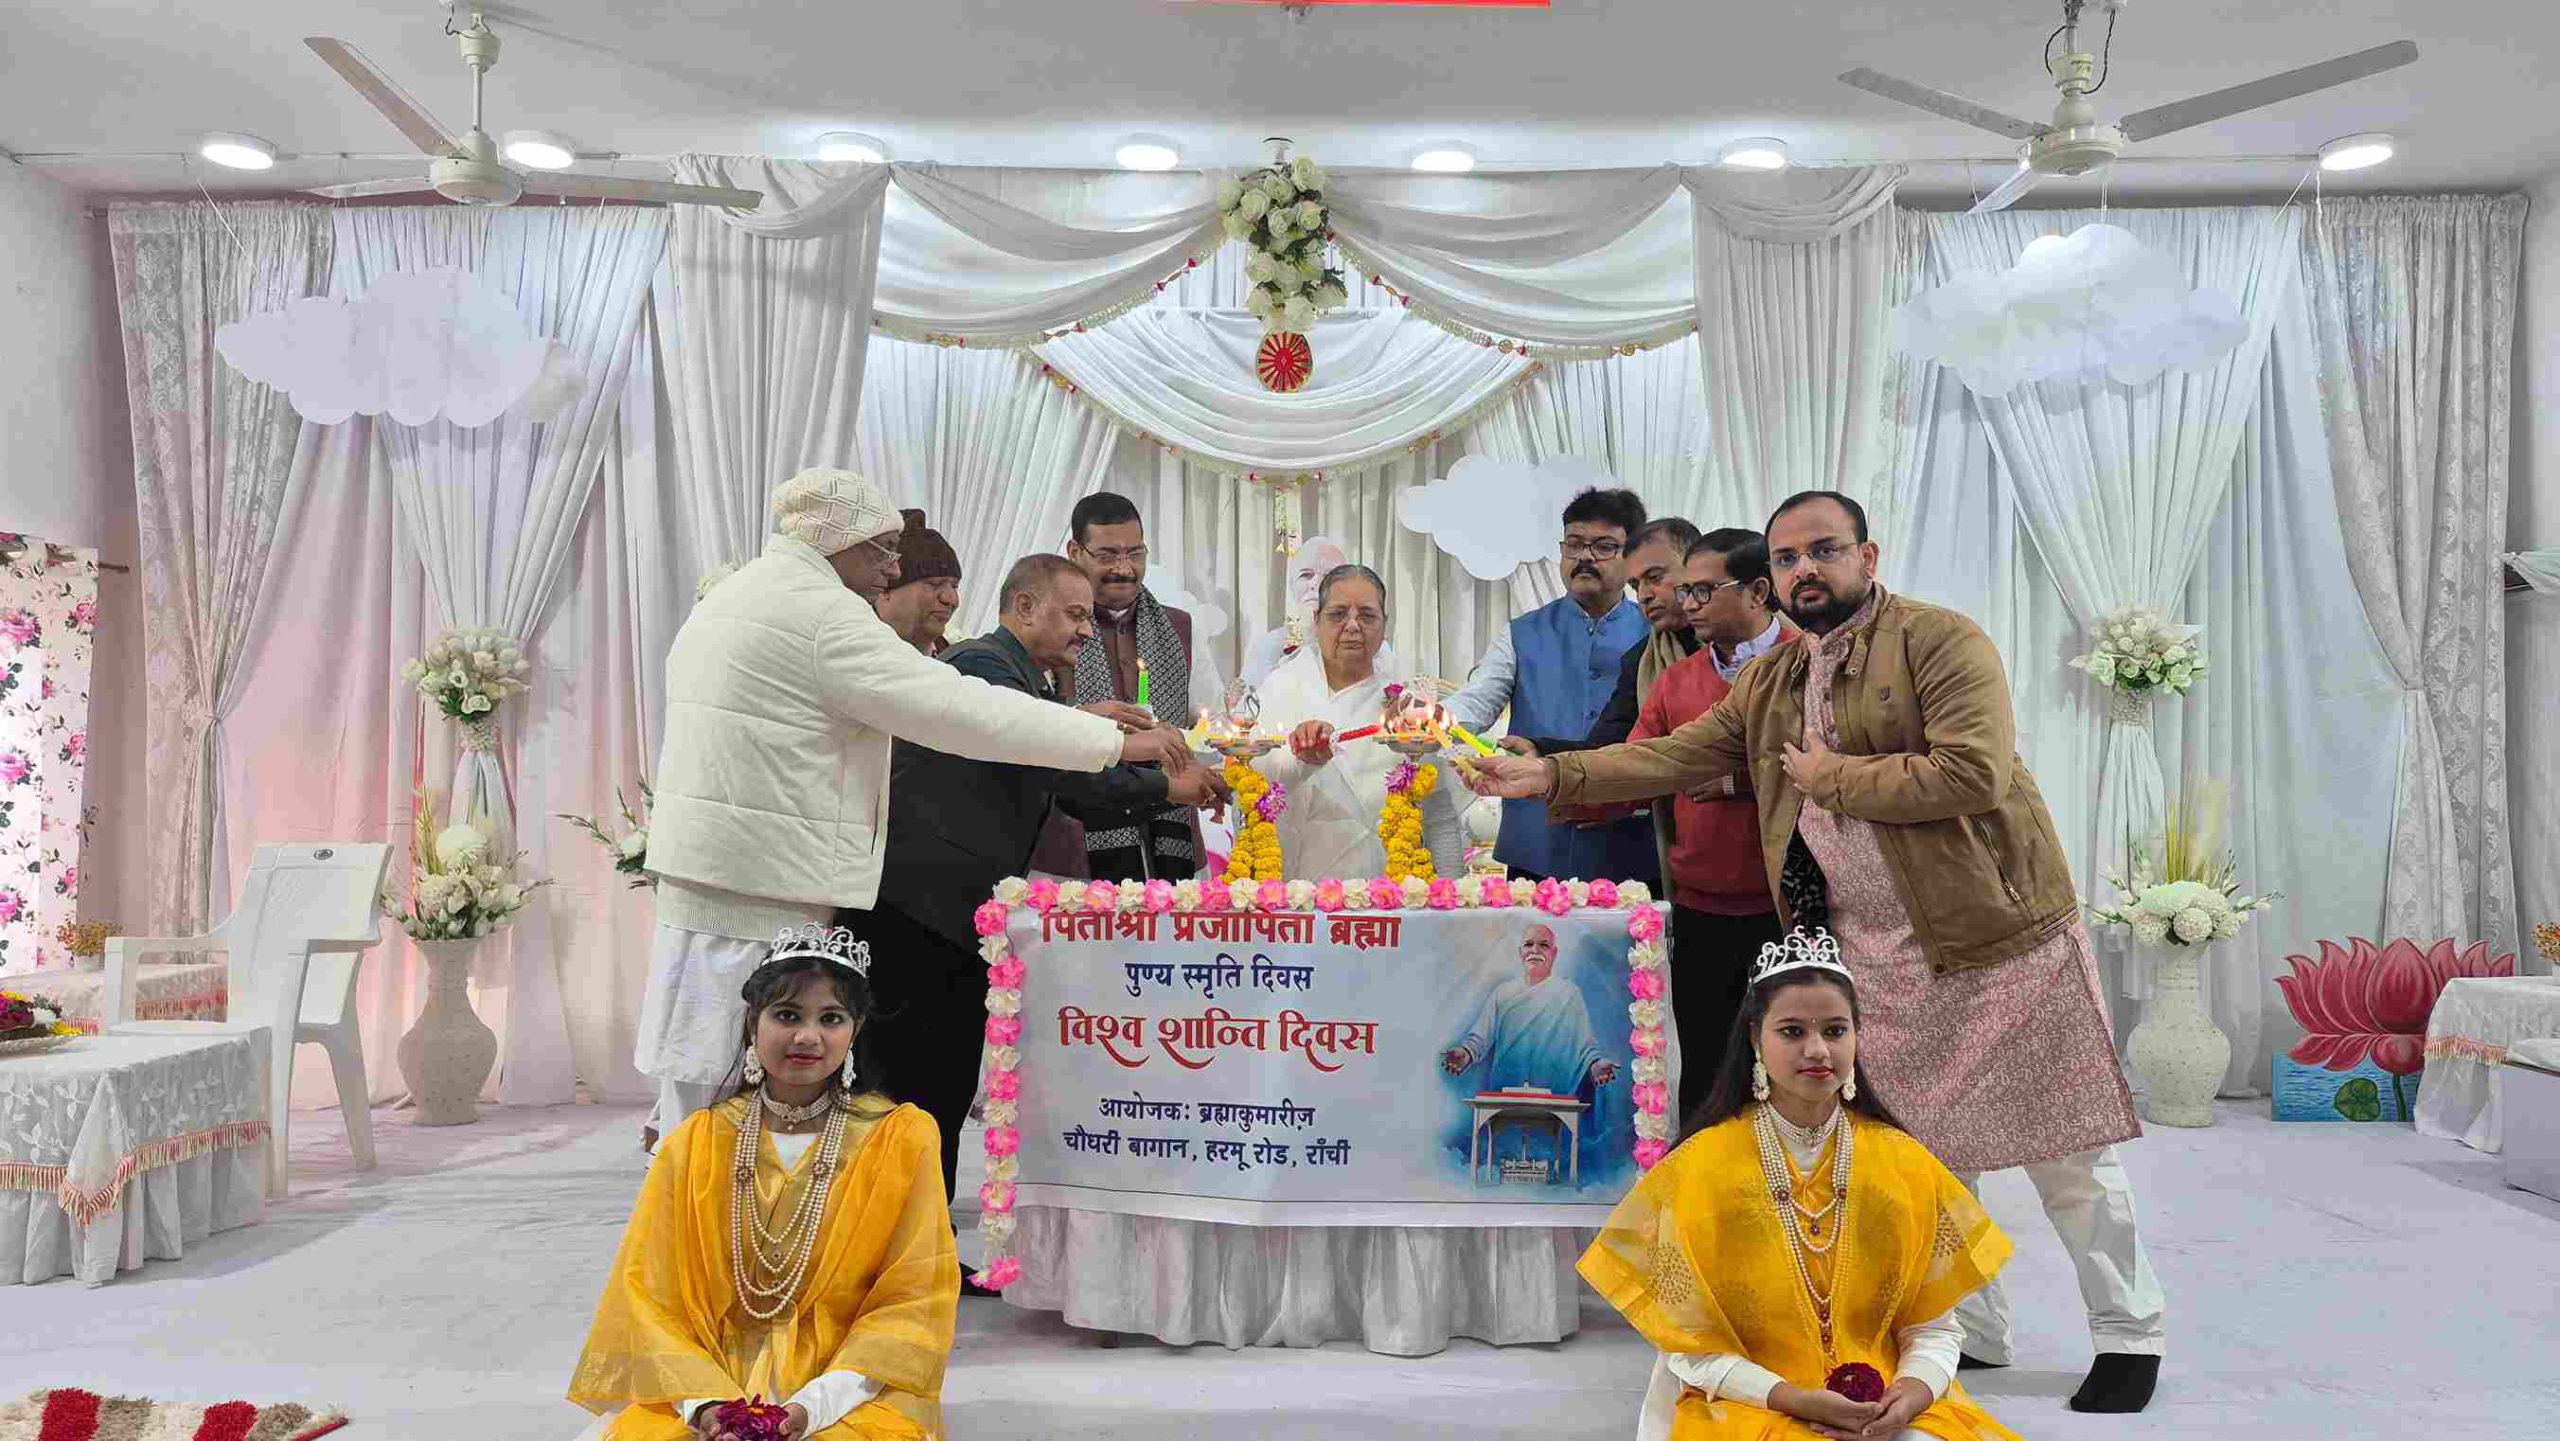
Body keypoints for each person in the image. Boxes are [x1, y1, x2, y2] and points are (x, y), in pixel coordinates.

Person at [1463, 491, 2165, 1413]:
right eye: (1788, 558)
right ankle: (1974, 1329)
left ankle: (2129, 1332)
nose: (1804, 570)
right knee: (1927, 1160)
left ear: (1867, 557)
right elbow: (1676, 755)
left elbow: (1972, 770)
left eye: (1824, 550)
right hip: (1878, 958)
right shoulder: (1780, 678)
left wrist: (1831, 777)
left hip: (1995, 940)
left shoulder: (1940, 641)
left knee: (2065, 1152)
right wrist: (1551, 773)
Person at [637, 468, 1193, 1149]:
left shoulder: (744, 592)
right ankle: (721, 1220)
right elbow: (955, 709)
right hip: (763, 890)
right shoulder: (822, 613)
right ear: (839, 542)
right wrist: (1114, 743)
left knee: (710, 1104)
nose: (893, 568)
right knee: (744, 1105)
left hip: (723, 878)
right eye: (883, 550)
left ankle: (708, 1216)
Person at [860, 554, 1222, 1213]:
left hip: (949, 916)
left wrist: (1106, 737)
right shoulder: (983, 667)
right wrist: (1168, 785)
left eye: (1088, 616)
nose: (1086, 630)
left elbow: (1068, 781)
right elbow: (1063, 769)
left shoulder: (1023, 679)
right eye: (1075, 614)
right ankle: (891, 1246)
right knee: (910, 1090)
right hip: (917, 915)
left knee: (939, 1087)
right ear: (1024, 607)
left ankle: (922, 1242)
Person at [1578, 929, 2021, 1441]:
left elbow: (1935, 1328)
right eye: (1792, 1031)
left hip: (1885, 1405)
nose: (1817, 1050)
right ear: (1755, 1039)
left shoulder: (1904, 1163)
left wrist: (1912, 1395)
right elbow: (1689, 1350)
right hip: (1748, 1403)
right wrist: (1793, 1397)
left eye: (1835, 1031)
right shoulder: (1700, 1167)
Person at [569, 929, 957, 1441]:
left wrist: (811, 1409)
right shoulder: (697, 1143)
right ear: (754, 1022)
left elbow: (914, 1299)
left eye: (831, 1018)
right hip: (708, 1377)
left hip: (846, 1385)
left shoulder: (901, 1138)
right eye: (788, 1015)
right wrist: (708, 1408)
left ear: (856, 1029)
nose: (807, 1037)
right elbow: (649, 1297)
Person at [1631, 528, 1798, 1117]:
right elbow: (1633, 766)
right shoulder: (1677, 681)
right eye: (1686, 592)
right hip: (1701, 908)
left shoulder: (1811, 662)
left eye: (1703, 591)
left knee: (1795, 1069)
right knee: (1705, 1071)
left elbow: (1836, 768)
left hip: (1795, 908)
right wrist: (1544, 775)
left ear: (1758, 591)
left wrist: (1733, 782)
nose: (1688, 605)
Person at [1446, 487, 1659, 888]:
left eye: (1603, 547)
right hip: (1536, 843)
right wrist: (1431, 717)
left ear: (1632, 557)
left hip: (1633, 840)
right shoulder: (1521, 632)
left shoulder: (1658, 633)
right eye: (1574, 544)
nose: (1584, 557)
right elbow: (1477, 700)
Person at [1498, 516, 1699, 885]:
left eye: (1655, 578)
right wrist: (1541, 752)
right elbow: (1619, 744)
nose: (1645, 594)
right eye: (1638, 584)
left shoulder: (1757, 648)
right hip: (1683, 851)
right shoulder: (1645, 657)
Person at [1049, 491, 1229, 882]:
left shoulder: (1180, 628)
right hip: (1075, 856)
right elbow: (1032, 726)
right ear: (1075, 552)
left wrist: (1176, 744)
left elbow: (1213, 725)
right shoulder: (1052, 630)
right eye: (1107, 555)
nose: (1124, 568)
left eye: (1135, 553)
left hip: (1174, 841)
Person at [1251, 564, 1464, 879]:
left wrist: (1452, 897)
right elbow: (1253, 785)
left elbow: (1438, 813)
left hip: (1386, 891)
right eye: (1338, 614)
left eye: (1366, 615)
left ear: (1384, 625)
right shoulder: (1281, 687)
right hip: (1293, 889)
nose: (1352, 626)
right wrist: (1302, 759)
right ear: (1317, 620)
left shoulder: (1405, 705)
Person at [1439, 922, 1621, 1098]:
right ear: (1520, 952)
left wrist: (1596, 1066)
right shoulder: (1503, 993)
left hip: (1555, 1095)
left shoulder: (1568, 993)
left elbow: (1585, 1045)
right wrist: (1466, 1053)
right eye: (1529, 944)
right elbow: (1479, 1038)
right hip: (1506, 1094)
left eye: (1544, 945)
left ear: (1554, 953)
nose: (1535, 950)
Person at [1237, 534, 1398, 687]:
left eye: (1328, 576)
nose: (1317, 584)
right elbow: (1248, 702)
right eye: (1306, 575)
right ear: (1292, 585)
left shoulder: (1374, 647)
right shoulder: (1269, 645)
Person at [873, 509, 961, 657]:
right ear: (885, 590)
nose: (951, 599)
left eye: (955, 586)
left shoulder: (955, 658)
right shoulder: (850, 651)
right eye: (934, 584)